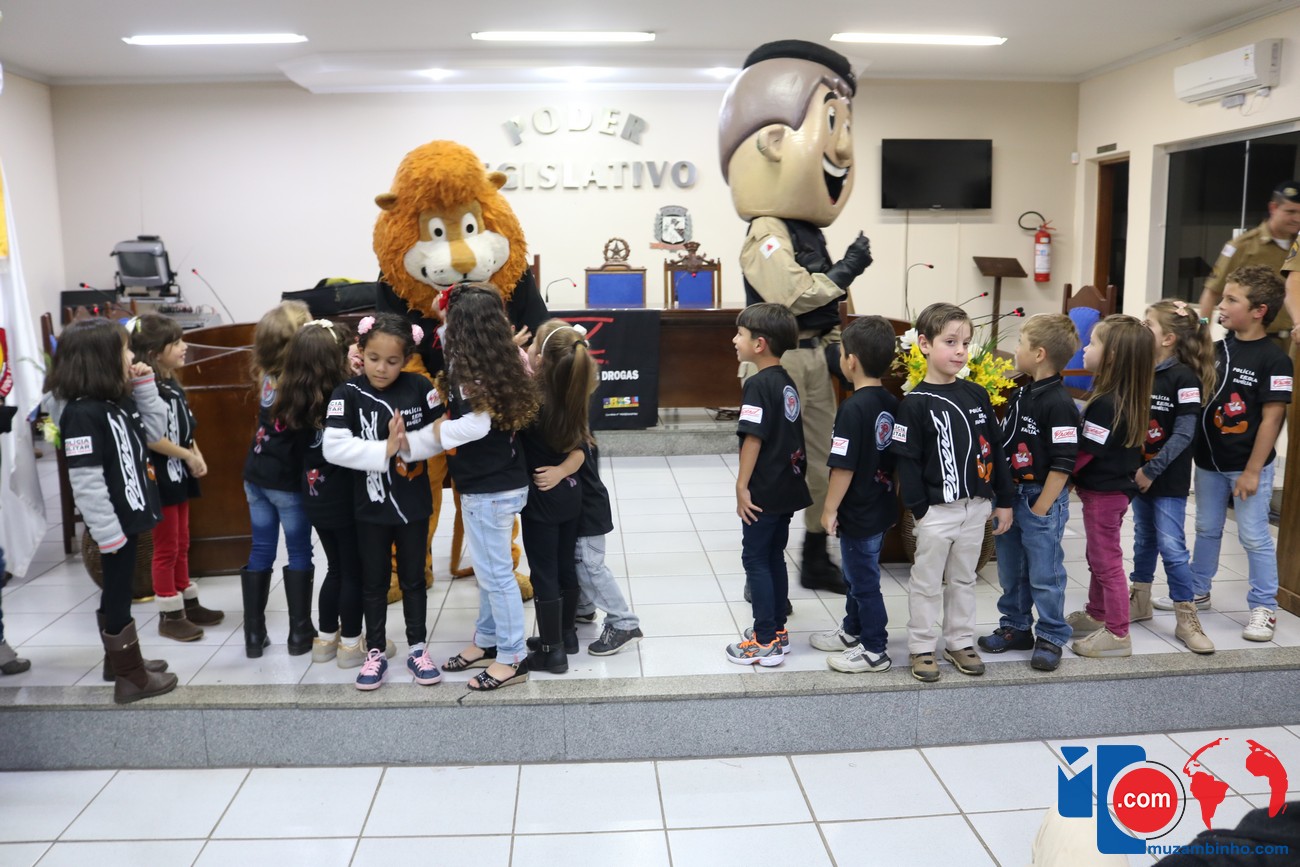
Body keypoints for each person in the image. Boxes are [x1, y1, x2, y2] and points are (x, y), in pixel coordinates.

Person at [719, 39, 875, 595]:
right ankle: (762, 569)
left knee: (821, 459)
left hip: (813, 360)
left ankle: (814, 556)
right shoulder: (766, 229)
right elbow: (792, 293)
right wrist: (846, 270)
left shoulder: (808, 230)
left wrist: (835, 345)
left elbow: (825, 306)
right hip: (775, 365)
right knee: (772, 463)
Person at [404, 283, 539, 691]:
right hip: (503, 480)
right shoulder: (500, 356)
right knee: (488, 570)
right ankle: (487, 639)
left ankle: (512, 657)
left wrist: (429, 436)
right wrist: (447, 312)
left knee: (496, 576)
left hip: (489, 489)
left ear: (463, 328)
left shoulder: (470, 371)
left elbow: (476, 426)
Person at [42, 317, 177, 703]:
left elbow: (155, 431)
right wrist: (106, 532)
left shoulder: (116, 399)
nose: (132, 356)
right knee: (118, 594)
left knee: (118, 591)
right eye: (125, 350)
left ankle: (117, 662)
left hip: (128, 513)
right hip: (113, 522)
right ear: (100, 359)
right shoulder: (82, 415)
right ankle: (131, 678)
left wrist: (145, 387)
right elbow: (85, 481)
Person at [892, 302, 1014, 682]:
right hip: (936, 512)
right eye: (950, 342)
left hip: (976, 507)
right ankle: (921, 646)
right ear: (925, 344)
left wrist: (1004, 500)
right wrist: (921, 510)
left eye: (965, 343)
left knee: (964, 578)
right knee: (927, 582)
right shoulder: (913, 404)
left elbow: (995, 449)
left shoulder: (977, 394)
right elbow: (907, 462)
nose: (960, 351)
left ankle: (959, 641)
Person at [323, 314, 439, 690]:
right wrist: (384, 449)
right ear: (361, 351)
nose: (381, 368)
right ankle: (374, 652)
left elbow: (440, 434)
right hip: (369, 508)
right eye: (373, 358)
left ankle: (418, 648)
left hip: (413, 504)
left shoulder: (420, 386)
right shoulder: (346, 393)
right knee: (373, 582)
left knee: (413, 579)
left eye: (392, 361)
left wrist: (408, 445)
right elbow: (333, 447)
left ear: (406, 359)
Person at [276, 320, 396, 670]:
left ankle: (326, 640)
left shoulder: (293, 396)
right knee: (353, 571)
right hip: (346, 497)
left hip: (314, 495)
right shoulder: (346, 395)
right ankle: (351, 645)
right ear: (333, 360)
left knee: (335, 568)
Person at [1190, 265, 1292, 641]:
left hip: (1249, 466)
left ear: (1259, 311)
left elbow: (1273, 418)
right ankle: (1197, 591)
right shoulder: (1217, 350)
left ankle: (1264, 607)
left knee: (1253, 536)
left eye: (1232, 299)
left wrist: (1252, 470)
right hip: (1209, 464)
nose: (1222, 304)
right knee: (1206, 528)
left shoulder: (1276, 360)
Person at [979, 313, 1081, 672]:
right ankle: (1016, 626)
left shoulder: (1060, 403)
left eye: (1020, 344)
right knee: (1011, 569)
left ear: (1039, 354)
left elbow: (1063, 464)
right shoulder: (1021, 392)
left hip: (1040, 499)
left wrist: (1041, 507)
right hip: (1011, 497)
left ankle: (1051, 635)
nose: (1015, 350)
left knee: (1044, 573)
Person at [726, 303, 812, 666]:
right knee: (774, 555)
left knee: (756, 558)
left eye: (740, 334)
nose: (735, 340)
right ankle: (777, 629)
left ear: (759, 344)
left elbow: (753, 438)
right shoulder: (785, 381)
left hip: (764, 488)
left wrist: (741, 485)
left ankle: (764, 641)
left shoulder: (757, 384)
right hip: (788, 485)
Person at [128, 314, 222, 643]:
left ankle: (187, 602)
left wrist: (197, 454)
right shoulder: (147, 387)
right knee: (166, 547)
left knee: (182, 541)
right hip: (161, 476)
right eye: (177, 343)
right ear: (155, 353)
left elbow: (186, 429)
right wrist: (187, 455)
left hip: (179, 473)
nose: (184, 347)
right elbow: (152, 438)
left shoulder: (172, 384)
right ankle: (169, 614)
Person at [813, 315, 898, 673]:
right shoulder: (892, 401)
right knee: (858, 573)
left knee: (863, 582)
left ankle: (875, 648)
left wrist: (829, 508)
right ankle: (852, 629)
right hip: (881, 505)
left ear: (851, 361)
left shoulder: (851, 408)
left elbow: (842, 467)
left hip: (858, 511)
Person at [1131, 301, 1216, 654]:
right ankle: (1139, 601)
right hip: (1139, 476)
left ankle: (1186, 617)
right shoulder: (1140, 370)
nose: (1141, 327)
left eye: (1147, 324)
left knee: (1172, 547)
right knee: (1143, 539)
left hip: (1166, 478)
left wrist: (1151, 470)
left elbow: (1183, 434)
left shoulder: (1184, 378)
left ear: (1167, 338)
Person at [1066, 315, 1154, 658]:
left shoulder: (1106, 403)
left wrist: (1059, 476)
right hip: (1111, 491)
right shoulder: (1120, 396)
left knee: (1106, 561)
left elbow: (1086, 452)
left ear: (1112, 355)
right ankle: (1097, 612)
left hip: (1105, 494)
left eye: (1093, 343)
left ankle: (1118, 633)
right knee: (1097, 555)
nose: (1085, 349)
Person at [515, 318, 596, 675]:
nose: (528, 350)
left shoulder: (531, 401)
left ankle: (552, 652)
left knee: (544, 573)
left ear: (542, 359)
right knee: (565, 567)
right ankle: (566, 635)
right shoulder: (573, 396)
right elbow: (581, 450)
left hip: (542, 499)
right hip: (569, 495)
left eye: (532, 346)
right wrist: (563, 470)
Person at [1199, 181, 1300, 354]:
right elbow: (1210, 294)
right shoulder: (1243, 246)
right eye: (1290, 212)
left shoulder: (1297, 247)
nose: (1296, 218)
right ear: (1273, 208)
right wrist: (1202, 334)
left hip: (1290, 344)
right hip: (1247, 344)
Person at [572, 436, 644, 657]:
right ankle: (584, 608)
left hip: (587, 508)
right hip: (588, 503)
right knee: (581, 562)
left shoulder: (570, 432)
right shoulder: (578, 427)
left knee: (589, 566)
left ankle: (624, 623)